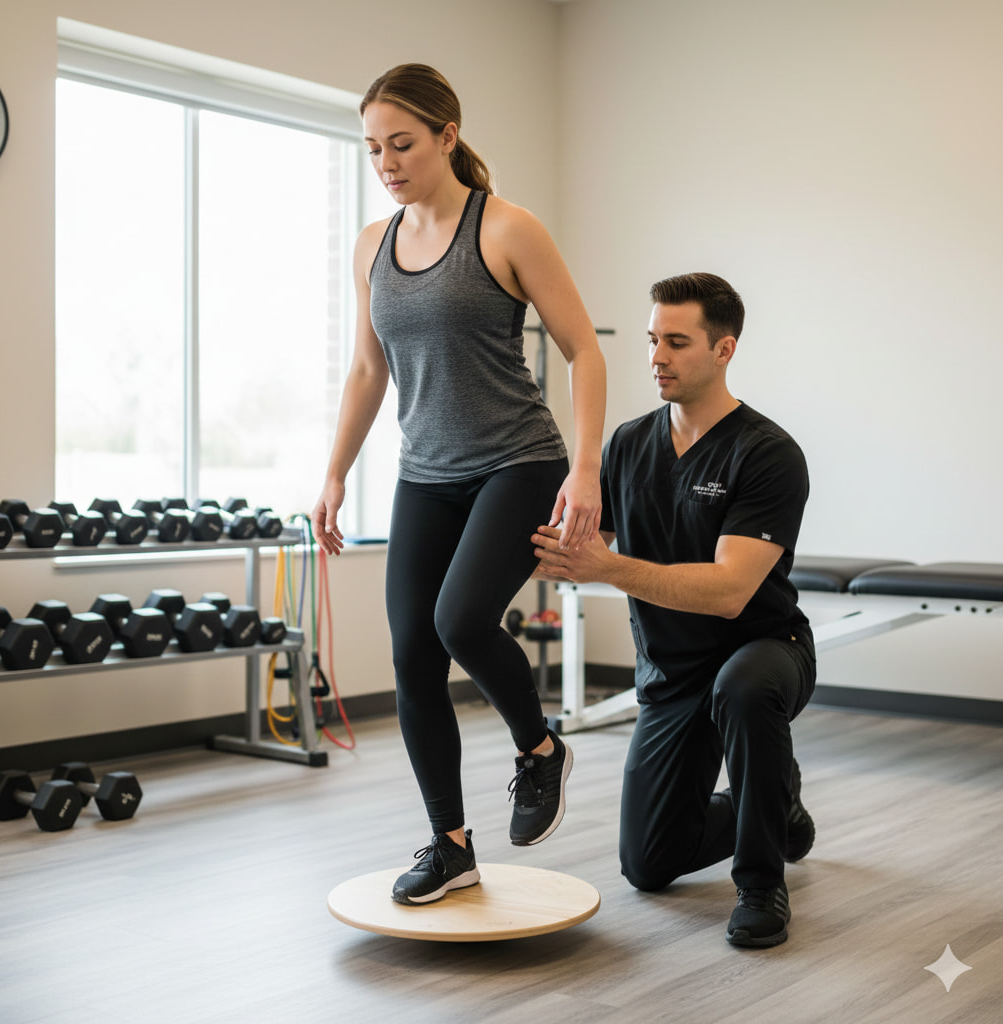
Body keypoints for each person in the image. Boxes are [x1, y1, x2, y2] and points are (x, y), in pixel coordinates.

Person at [311, 64, 607, 906]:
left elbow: (586, 350)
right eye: (373, 147)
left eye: (402, 143)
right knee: (411, 654)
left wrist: (585, 469)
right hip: (426, 472)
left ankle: (539, 748)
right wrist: (334, 472)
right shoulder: (373, 243)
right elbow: (370, 369)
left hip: (519, 461)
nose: (387, 162)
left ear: (447, 135)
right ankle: (450, 846)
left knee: (458, 619)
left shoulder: (508, 229)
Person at [531, 272, 816, 948]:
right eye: (653, 339)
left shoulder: (767, 453)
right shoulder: (627, 445)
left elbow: (728, 592)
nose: (656, 356)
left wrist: (606, 567)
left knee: (742, 688)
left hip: (763, 651)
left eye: (677, 342)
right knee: (648, 865)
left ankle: (760, 883)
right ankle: (778, 804)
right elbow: (578, 545)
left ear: (724, 350)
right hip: (672, 676)